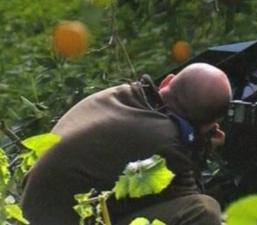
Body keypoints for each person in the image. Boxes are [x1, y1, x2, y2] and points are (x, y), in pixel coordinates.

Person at [21, 63, 232, 225]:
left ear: (167, 81)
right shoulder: (164, 139)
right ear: (206, 125)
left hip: (34, 212)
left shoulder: (124, 95)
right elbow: (188, 198)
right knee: (204, 211)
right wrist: (201, 150)